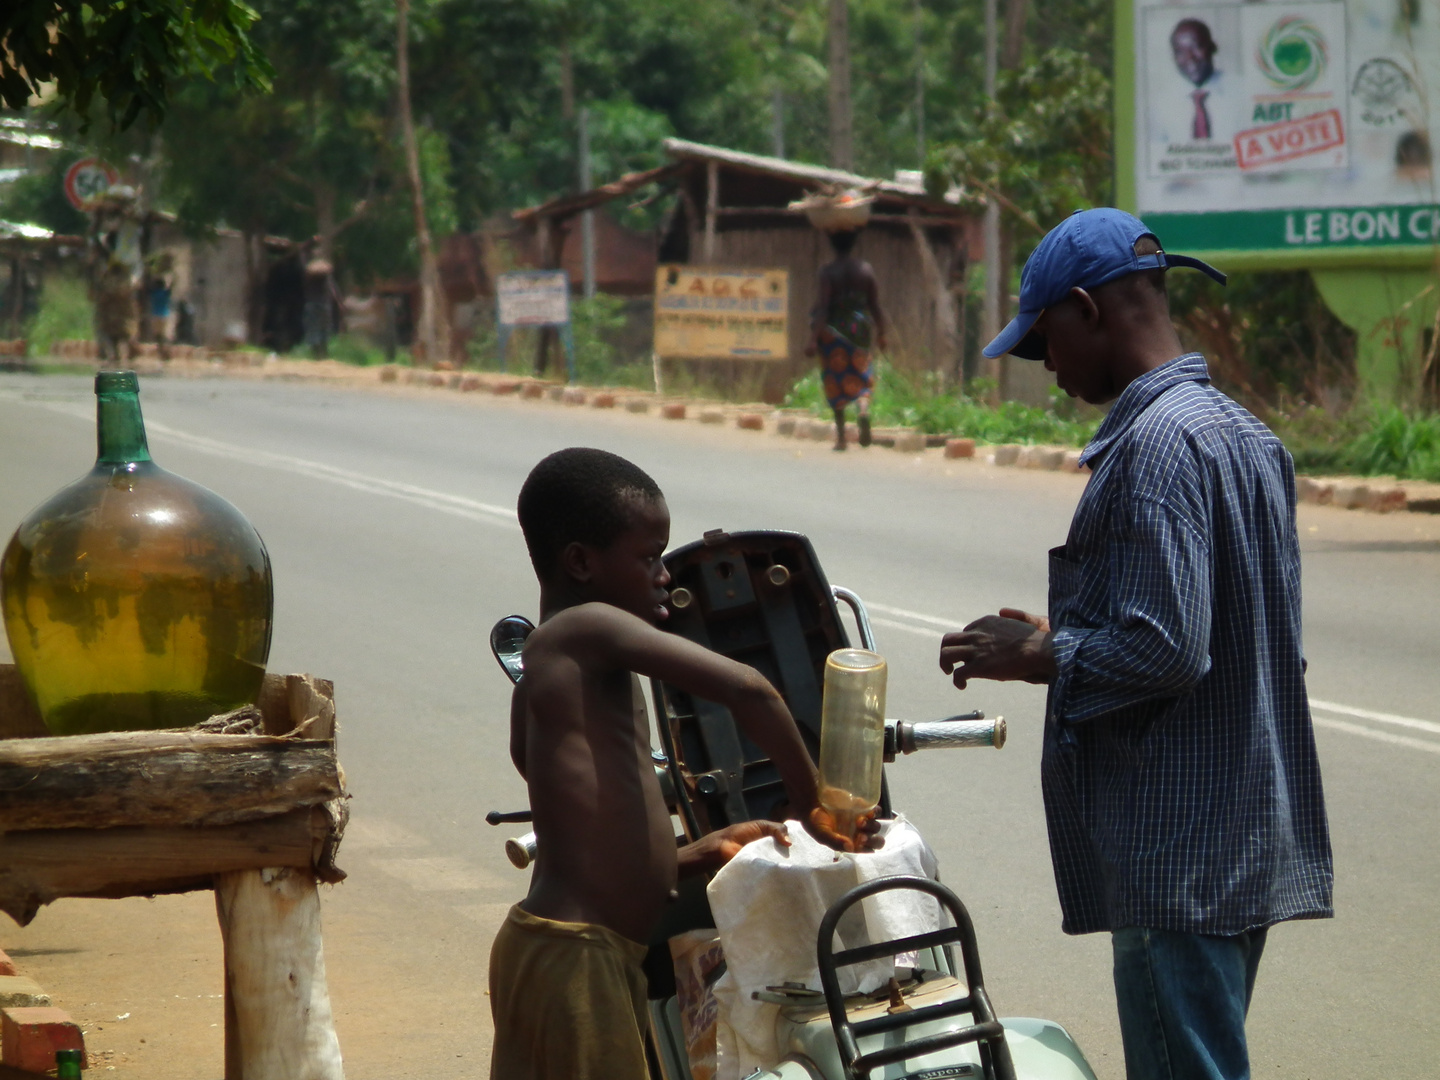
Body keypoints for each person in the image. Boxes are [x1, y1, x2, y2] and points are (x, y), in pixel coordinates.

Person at [937, 209, 1333, 1080]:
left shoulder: (1152, 449)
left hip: (1176, 852)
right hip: (1238, 837)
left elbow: (1168, 651)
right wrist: (1064, 635)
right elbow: (1238, 633)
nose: (1049, 372)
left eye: (1045, 346)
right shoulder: (1247, 437)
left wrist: (1044, 657)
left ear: (1087, 309)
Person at [492, 447, 866, 1080]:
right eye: (647, 556)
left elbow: (585, 839)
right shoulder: (588, 627)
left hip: (555, 951)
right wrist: (815, 808)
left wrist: (701, 850)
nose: (664, 574)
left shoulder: (557, 664)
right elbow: (752, 689)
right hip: (579, 961)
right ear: (581, 563)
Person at [807, 229, 887, 451]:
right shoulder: (865, 271)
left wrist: (813, 339)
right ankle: (862, 408)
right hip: (860, 331)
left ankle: (841, 438)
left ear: (832, 244)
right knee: (862, 373)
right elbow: (875, 305)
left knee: (835, 380)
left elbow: (823, 308)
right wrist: (882, 333)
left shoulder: (828, 272)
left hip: (833, 332)